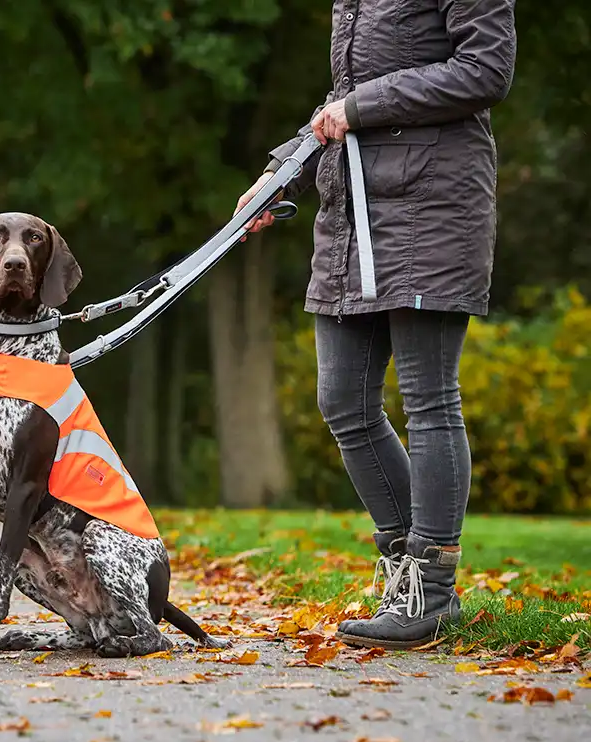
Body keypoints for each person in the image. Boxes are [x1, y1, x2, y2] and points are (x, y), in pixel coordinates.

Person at [236, 0, 517, 649]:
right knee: (342, 399)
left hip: (435, 206)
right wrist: (283, 174)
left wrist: (363, 106)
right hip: (353, 215)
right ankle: (403, 576)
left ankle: (432, 588)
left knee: (428, 397)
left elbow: (486, 70)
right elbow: (342, 101)